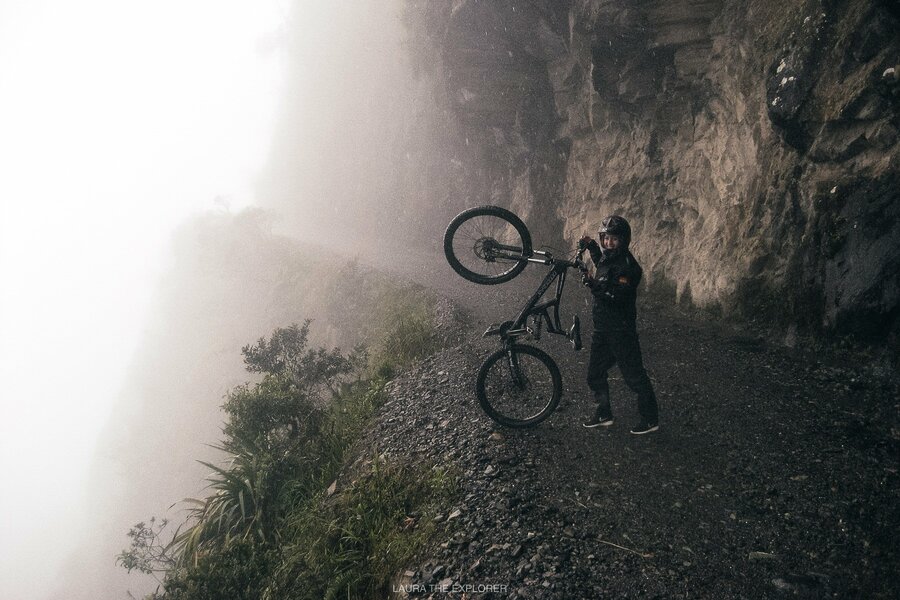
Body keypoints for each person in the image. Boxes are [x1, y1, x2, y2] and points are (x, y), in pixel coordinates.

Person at [578, 216, 659, 435]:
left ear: (623, 240)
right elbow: (602, 266)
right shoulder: (609, 258)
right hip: (602, 330)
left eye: (614, 239)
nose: (609, 243)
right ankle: (604, 413)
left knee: (634, 376)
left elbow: (615, 296)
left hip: (621, 331)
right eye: (605, 239)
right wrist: (592, 247)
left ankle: (650, 419)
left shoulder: (628, 267)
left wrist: (593, 284)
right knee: (594, 373)